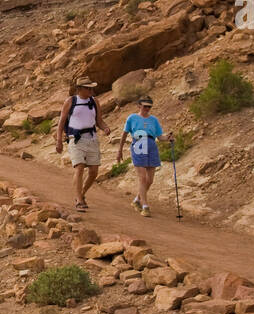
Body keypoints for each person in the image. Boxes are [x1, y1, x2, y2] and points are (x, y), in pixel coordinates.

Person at [55, 78, 110, 212]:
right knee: (79, 167)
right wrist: (58, 140)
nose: (91, 90)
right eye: (88, 88)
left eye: (91, 88)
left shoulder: (94, 101)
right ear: (79, 89)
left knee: (93, 171)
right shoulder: (70, 101)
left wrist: (105, 128)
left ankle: (82, 193)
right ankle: (79, 200)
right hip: (76, 139)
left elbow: (99, 121)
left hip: (91, 138)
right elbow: (61, 122)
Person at [117, 95, 173, 217]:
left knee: (150, 180)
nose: (147, 109)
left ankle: (137, 200)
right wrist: (120, 150)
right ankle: (145, 206)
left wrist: (168, 138)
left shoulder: (154, 120)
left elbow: (160, 137)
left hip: (152, 145)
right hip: (138, 144)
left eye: (149, 107)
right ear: (139, 106)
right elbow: (124, 134)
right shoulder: (132, 118)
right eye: (145, 106)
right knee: (142, 178)